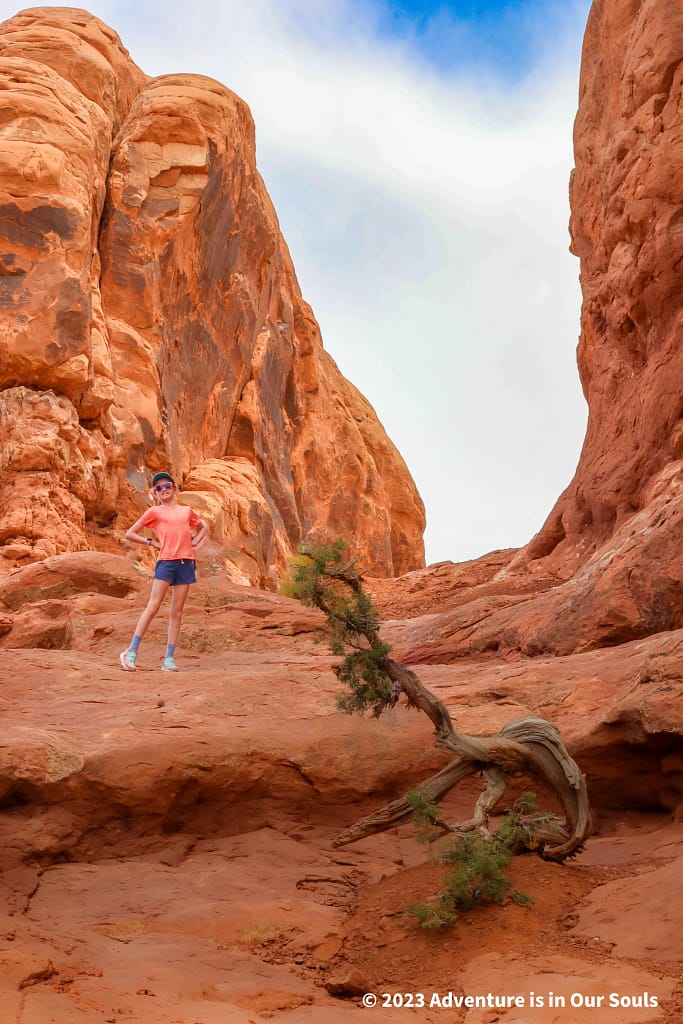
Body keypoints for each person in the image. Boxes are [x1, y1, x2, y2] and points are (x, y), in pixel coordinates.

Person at [119, 471, 207, 672]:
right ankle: (131, 652)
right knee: (153, 606)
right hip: (166, 561)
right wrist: (150, 542)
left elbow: (203, 526)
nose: (164, 490)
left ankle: (169, 658)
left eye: (167, 486)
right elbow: (130, 533)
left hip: (185, 562)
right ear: (154, 492)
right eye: (159, 488)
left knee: (177, 611)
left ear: (174, 488)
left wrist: (197, 539)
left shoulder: (186, 511)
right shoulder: (154, 512)